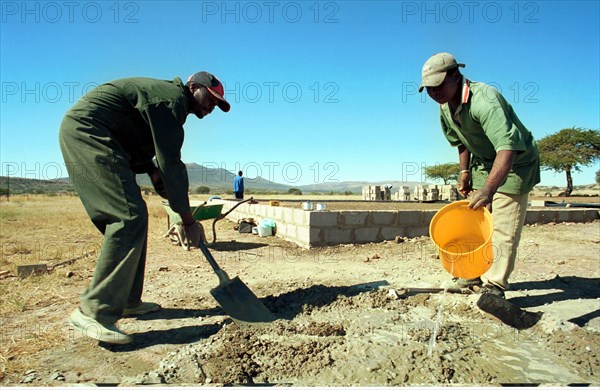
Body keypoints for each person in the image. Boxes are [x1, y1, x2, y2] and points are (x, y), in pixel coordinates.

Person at [59, 71, 231, 344]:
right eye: (210, 99)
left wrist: (151, 171)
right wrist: (188, 221)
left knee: (135, 215)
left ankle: (127, 299)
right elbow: (172, 165)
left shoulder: (171, 104)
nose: (212, 107)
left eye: (217, 104)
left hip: (108, 139)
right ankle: (94, 311)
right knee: (127, 216)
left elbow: (141, 145)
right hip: (90, 133)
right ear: (193, 87)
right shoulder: (170, 100)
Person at [419, 53, 540, 299]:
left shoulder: (485, 100)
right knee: (475, 220)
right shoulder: (445, 106)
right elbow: (460, 141)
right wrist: (464, 171)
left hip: (515, 163)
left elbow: (507, 147)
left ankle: (494, 287)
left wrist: (488, 189)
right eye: (429, 89)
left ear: (455, 75)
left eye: (438, 85)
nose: (434, 93)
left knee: (504, 228)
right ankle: (472, 274)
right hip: (483, 163)